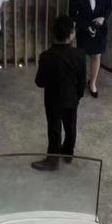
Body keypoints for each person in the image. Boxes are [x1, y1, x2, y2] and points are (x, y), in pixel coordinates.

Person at [31, 15, 86, 171]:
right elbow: (82, 81)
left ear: (54, 33)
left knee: (54, 129)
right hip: (72, 98)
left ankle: (53, 160)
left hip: (53, 100)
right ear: (71, 34)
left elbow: (39, 82)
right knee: (71, 126)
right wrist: (78, 96)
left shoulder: (46, 56)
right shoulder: (79, 55)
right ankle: (68, 152)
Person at [69, 0, 112, 98]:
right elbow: (72, 14)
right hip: (83, 29)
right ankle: (81, 81)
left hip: (100, 28)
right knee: (81, 57)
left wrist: (103, 18)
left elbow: (109, 6)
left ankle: (92, 83)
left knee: (96, 56)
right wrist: (86, 26)